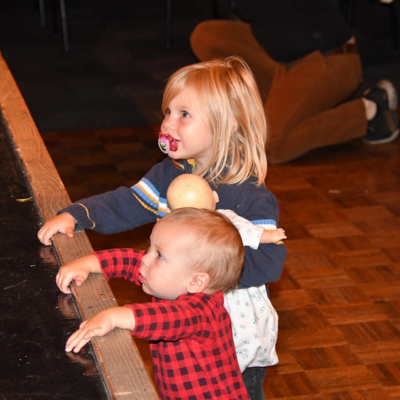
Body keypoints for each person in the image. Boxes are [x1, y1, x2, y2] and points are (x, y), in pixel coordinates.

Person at [38, 56, 287, 400]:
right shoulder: (170, 173)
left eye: (184, 114)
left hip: (234, 342)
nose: (168, 123)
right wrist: (78, 215)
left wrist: (210, 265)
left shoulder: (250, 197)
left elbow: (270, 260)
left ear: (228, 125)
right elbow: (128, 203)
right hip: (175, 326)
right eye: (168, 111)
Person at [57, 208, 250, 400]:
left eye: (159, 255)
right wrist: (88, 264)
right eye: (151, 248)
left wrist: (114, 316)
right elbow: (132, 261)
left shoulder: (205, 311)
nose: (145, 258)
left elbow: (172, 318)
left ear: (196, 282)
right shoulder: (173, 282)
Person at [190, 0, 399, 164]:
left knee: (271, 147)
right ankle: (266, 111)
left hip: (328, 59)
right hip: (279, 57)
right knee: (206, 36)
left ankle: (370, 111)